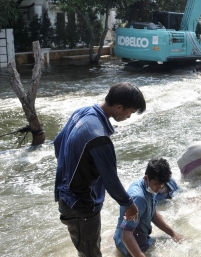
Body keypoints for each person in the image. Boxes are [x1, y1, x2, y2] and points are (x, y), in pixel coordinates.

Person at [54, 82, 146, 257]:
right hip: (81, 205)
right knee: (91, 253)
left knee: (87, 249)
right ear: (119, 107)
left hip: (66, 196)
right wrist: (129, 205)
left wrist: (71, 172)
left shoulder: (81, 112)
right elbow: (110, 179)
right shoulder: (99, 137)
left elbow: (58, 143)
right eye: (130, 112)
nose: (129, 116)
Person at [114, 158, 182, 257]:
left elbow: (153, 214)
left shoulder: (150, 188)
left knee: (176, 242)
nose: (159, 189)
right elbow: (126, 234)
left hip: (141, 238)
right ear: (146, 178)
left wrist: (173, 234)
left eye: (162, 185)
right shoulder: (138, 198)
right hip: (128, 247)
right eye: (157, 184)